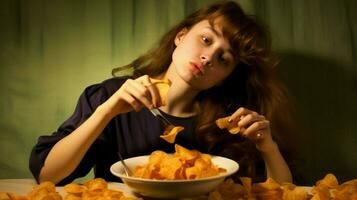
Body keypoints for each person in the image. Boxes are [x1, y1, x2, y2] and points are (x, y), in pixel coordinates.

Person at [29, 1, 298, 186]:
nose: (207, 57)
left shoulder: (229, 123)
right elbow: (47, 176)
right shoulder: (110, 96)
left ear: (224, 78)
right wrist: (106, 112)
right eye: (206, 39)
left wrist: (268, 147)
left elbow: (283, 193)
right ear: (180, 36)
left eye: (224, 58)